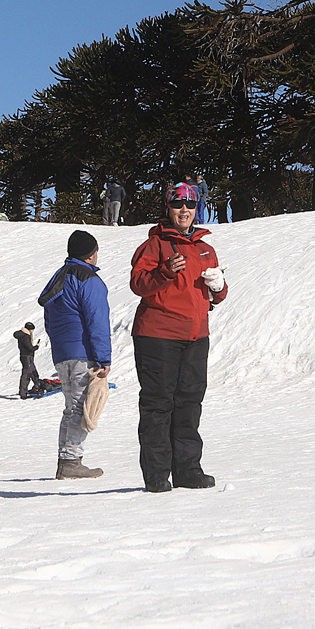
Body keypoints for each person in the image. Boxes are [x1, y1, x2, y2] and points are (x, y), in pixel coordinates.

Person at [130, 182, 228, 492]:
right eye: (177, 204)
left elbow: (216, 296)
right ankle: (157, 475)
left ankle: (188, 470)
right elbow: (138, 284)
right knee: (159, 404)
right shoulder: (155, 245)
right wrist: (165, 271)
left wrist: (219, 285)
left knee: (189, 403)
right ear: (168, 208)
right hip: (158, 335)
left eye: (189, 205)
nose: (183, 210)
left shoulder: (205, 248)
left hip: (196, 335)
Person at [40, 230, 112, 479]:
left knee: (71, 407)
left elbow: (49, 320)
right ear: (91, 254)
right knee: (80, 408)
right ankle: (71, 462)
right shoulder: (88, 279)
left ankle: (67, 460)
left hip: (62, 353)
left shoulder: (58, 278)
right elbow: (97, 320)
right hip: (82, 352)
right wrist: (103, 358)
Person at [13, 321, 42, 398]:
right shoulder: (25, 336)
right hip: (27, 357)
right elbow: (30, 348)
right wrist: (37, 346)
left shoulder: (22, 335)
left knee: (33, 372)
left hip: (25, 357)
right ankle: (23, 393)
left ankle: (38, 386)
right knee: (26, 375)